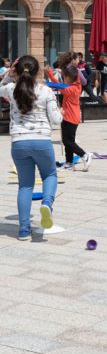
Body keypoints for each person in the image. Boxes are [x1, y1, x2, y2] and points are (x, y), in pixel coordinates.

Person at [0, 56, 62, 239]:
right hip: (42, 140)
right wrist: (62, 112)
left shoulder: (11, 89)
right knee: (50, 175)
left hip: (19, 143)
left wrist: (8, 76)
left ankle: (24, 229)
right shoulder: (46, 91)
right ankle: (46, 204)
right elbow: (57, 120)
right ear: (38, 73)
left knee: (25, 186)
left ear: (16, 72)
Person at [47, 64, 92, 171]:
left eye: (64, 77)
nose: (63, 79)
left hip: (71, 118)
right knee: (67, 141)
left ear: (69, 78)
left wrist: (49, 76)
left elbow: (57, 86)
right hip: (68, 116)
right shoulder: (74, 85)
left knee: (68, 142)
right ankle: (69, 163)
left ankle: (85, 155)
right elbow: (59, 85)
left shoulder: (73, 89)